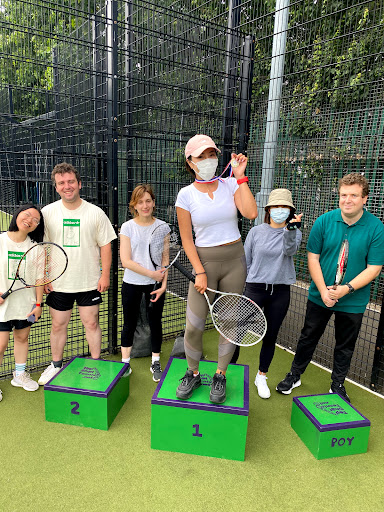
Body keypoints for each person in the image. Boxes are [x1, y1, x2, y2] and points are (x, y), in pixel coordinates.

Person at [276, 173, 384, 402]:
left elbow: (374, 268)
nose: (348, 200)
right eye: (344, 194)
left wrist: (347, 289)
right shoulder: (324, 221)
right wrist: (324, 290)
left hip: (352, 300)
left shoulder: (376, 228)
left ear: (365, 198)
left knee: (345, 345)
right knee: (308, 337)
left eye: (354, 195)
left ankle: (337, 385)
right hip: (319, 295)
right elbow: (312, 257)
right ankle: (295, 375)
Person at [175, 134, 258, 404]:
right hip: (205, 263)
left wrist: (241, 175)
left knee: (230, 323)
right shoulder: (185, 195)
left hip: (235, 260)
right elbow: (187, 239)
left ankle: (220, 374)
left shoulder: (232, 184)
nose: (209, 160)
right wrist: (199, 271)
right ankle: (193, 372)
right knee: (194, 325)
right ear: (190, 162)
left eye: (212, 154)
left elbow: (251, 213)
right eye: (201, 156)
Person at [38, 163, 117, 385]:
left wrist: (104, 276)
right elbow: (43, 246)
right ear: (56, 187)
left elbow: (105, 246)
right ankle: (55, 366)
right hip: (58, 283)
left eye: (71, 181)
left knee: (91, 324)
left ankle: (95, 363)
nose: (67, 186)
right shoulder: (47, 212)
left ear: (79, 184)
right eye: (61, 183)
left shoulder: (95, 212)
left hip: (89, 281)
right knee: (57, 325)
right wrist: (44, 275)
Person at [235, 189, 302, 399]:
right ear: (269, 209)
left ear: (290, 210)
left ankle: (261, 376)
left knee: (270, 336)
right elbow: (246, 260)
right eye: (276, 206)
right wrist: (245, 285)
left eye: (284, 207)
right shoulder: (256, 231)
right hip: (254, 288)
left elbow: (289, 250)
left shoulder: (295, 232)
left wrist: (291, 230)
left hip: (280, 291)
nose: (279, 210)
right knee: (237, 331)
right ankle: (227, 370)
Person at [119, 184, 168, 382]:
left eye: (148, 201)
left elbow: (165, 259)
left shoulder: (163, 227)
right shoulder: (128, 227)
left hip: (155, 285)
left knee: (155, 321)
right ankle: (125, 363)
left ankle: (155, 361)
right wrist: (151, 273)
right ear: (134, 205)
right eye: (140, 202)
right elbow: (126, 261)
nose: (145, 205)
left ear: (153, 203)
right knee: (129, 322)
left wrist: (163, 284)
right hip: (131, 282)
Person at [0, 204, 45, 400]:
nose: (30, 221)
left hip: (25, 305)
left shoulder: (36, 249)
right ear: (17, 215)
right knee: (1, 345)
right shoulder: (0, 241)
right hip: (3, 307)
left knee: (22, 338)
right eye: (27, 215)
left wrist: (38, 305)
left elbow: (39, 280)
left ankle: (19, 374)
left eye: (35, 220)